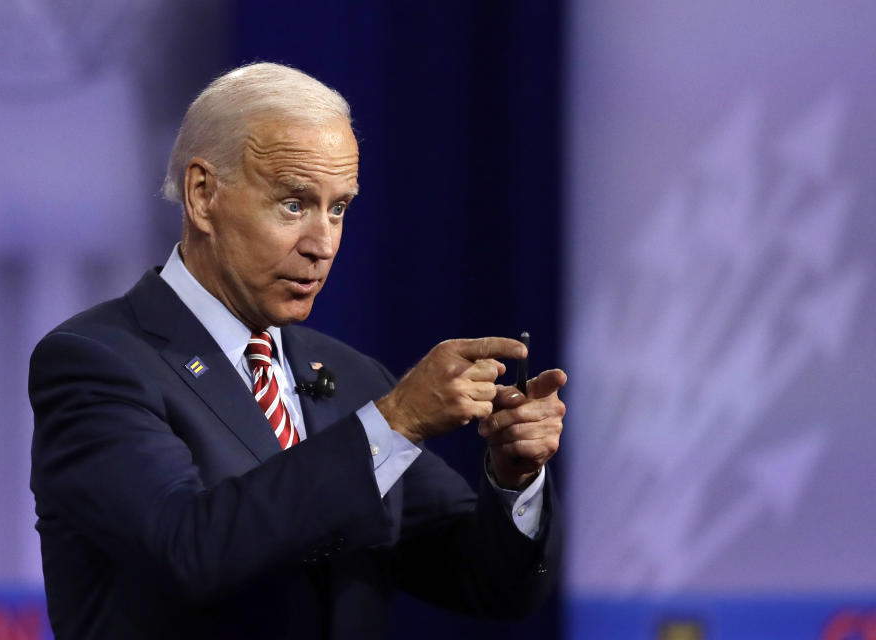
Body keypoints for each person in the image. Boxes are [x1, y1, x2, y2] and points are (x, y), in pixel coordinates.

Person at [29, 62, 567, 640]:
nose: (323, 244)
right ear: (203, 194)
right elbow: (185, 548)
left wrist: (514, 478)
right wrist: (399, 421)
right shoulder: (96, 363)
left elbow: (491, 585)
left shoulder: (351, 377)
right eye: (293, 204)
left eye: (338, 208)